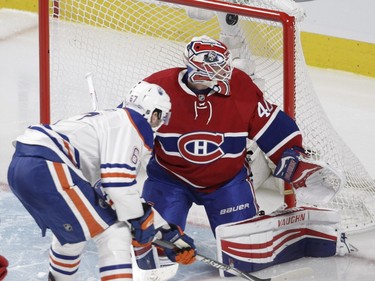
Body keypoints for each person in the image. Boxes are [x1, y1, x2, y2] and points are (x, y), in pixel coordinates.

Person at [134, 35, 344, 270]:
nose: (224, 77)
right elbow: (126, 134)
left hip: (227, 183)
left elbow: (271, 125)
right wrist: (114, 177)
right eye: (215, 72)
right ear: (196, 71)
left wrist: (293, 159)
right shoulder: (156, 89)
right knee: (151, 253)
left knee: (244, 259)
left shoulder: (240, 86)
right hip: (169, 179)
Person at [7, 81, 196, 281]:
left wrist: (167, 230)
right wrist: (140, 221)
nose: (159, 124)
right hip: (48, 166)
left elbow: (107, 190)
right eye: (161, 117)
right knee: (115, 233)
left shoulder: (110, 121)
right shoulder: (133, 125)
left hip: (24, 166)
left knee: (73, 235)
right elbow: (118, 186)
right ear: (153, 113)